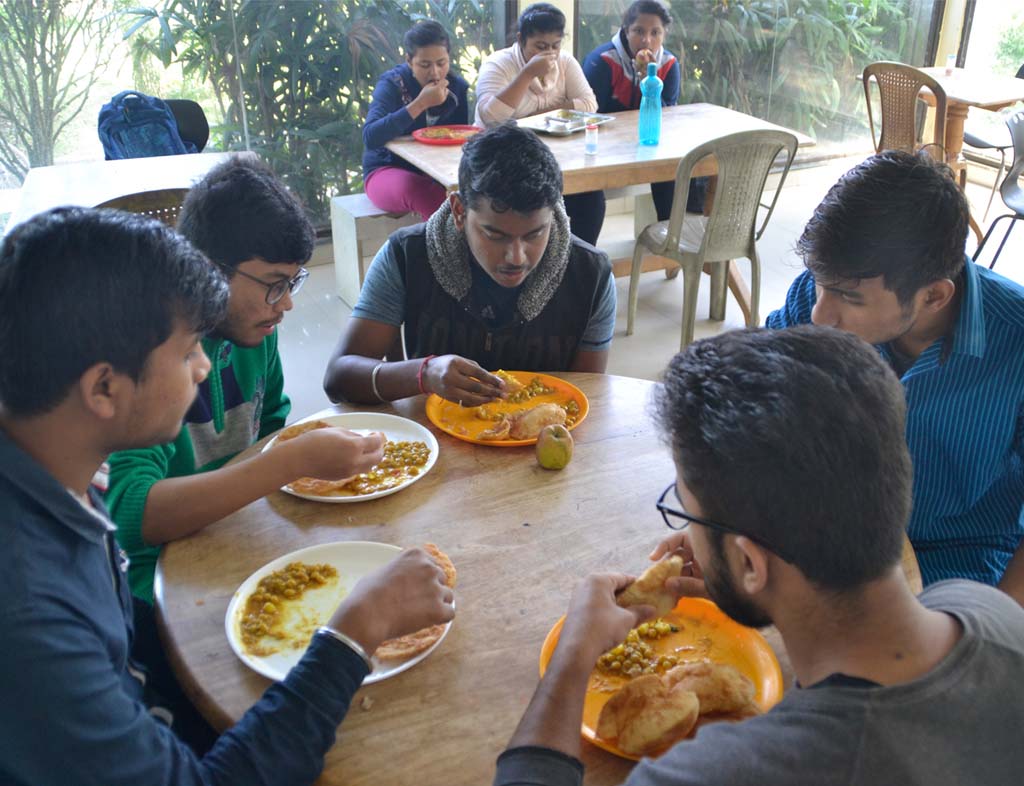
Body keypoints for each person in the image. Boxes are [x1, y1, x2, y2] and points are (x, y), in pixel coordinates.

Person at [0, 207, 455, 786]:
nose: (201, 367)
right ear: (104, 387)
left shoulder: (56, 474)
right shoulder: (31, 619)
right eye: (189, 348)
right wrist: (354, 630)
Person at [493, 326, 1024, 786]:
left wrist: (572, 657)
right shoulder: (987, 609)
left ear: (751, 563)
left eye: (686, 513)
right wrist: (760, 591)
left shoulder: (719, 771)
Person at [105, 156, 384, 603]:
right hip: (160, 589)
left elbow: (270, 425)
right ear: (208, 268)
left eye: (292, 283)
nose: (286, 304)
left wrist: (299, 464)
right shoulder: (150, 356)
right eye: (274, 284)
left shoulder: (256, 333)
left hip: (243, 542)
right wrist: (289, 463)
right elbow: (131, 515)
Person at [766, 150, 1024, 603]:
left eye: (850, 298)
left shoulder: (1016, 342)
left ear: (934, 297)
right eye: (820, 282)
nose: (821, 316)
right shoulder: (819, 295)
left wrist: (996, 622)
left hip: (958, 567)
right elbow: (757, 409)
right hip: (824, 545)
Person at [324, 122, 615, 406]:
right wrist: (424, 373)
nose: (516, 257)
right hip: (432, 434)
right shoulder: (406, 256)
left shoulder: (591, 276)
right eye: (495, 235)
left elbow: (587, 398)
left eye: (534, 234)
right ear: (459, 211)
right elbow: (337, 380)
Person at [474, 3, 605, 245]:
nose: (549, 54)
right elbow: (492, 118)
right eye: (540, 47)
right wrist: (527, 74)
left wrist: (537, 114)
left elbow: (589, 104)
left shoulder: (565, 62)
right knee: (540, 197)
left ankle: (578, 257)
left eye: (555, 46)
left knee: (591, 195)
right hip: (503, 157)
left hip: (556, 153)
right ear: (521, 39)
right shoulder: (498, 64)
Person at [582, 0, 705, 220]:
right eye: (639, 31)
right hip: (607, 149)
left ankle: (669, 234)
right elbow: (591, 115)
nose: (647, 40)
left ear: (664, 35)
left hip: (650, 145)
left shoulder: (669, 64)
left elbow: (667, 115)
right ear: (626, 30)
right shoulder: (602, 61)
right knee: (590, 204)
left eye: (655, 33)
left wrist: (647, 80)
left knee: (675, 172)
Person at [362, 20, 470, 221]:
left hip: (436, 172)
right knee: (430, 196)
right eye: (425, 65)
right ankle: (450, 241)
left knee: (474, 193)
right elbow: (370, 136)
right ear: (409, 61)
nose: (435, 72)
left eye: (441, 63)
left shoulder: (456, 88)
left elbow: (459, 142)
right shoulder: (392, 84)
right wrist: (419, 104)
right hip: (386, 170)